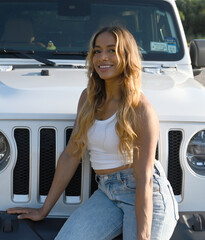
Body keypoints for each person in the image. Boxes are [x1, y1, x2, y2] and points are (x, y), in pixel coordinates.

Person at [7, 26, 179, 240]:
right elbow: (71, 154)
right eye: (97, 51)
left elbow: (144, 178)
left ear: (126, 56)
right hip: (107, 193)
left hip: (145, 194)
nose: (102, 57)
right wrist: (44, 210)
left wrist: (142, 237)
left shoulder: (141, 109)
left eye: (111, 50)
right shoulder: (88, 99)